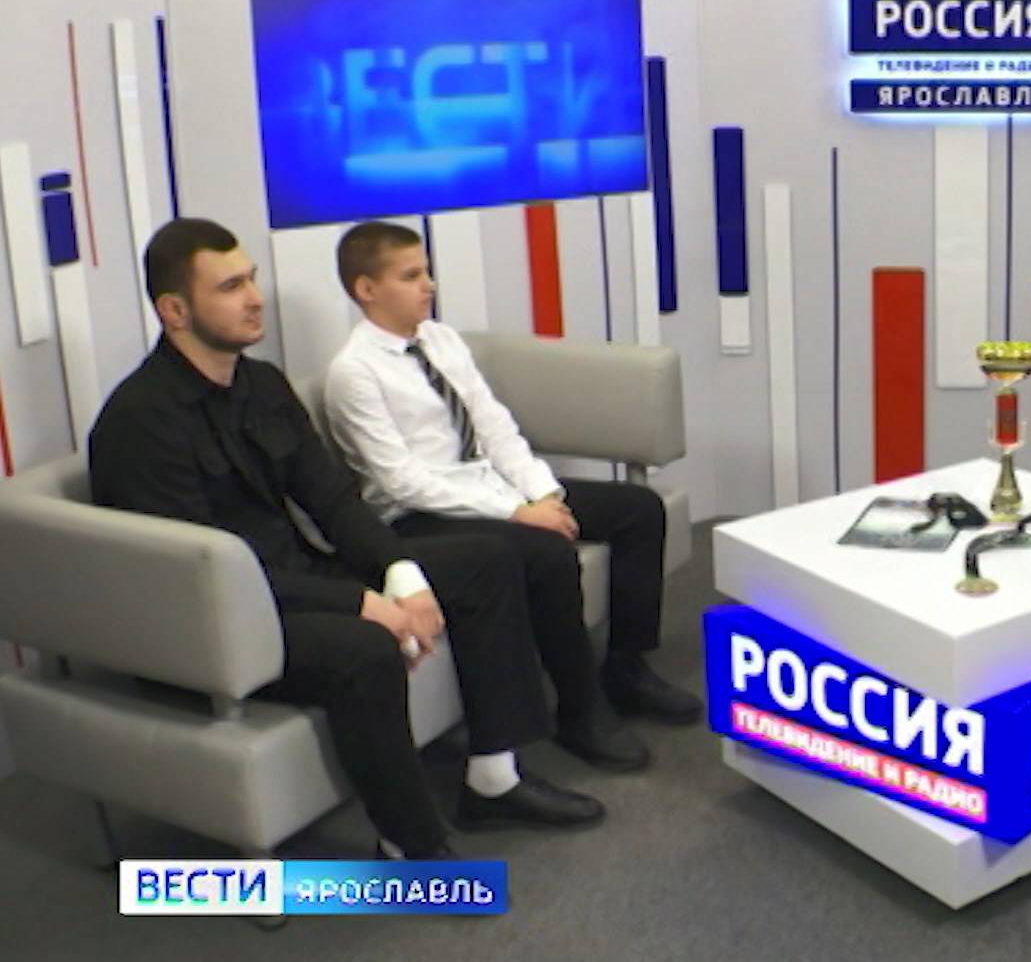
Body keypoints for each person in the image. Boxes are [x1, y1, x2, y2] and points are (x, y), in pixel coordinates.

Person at [89, 218, 610, 857]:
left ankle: (493, 780)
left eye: (251, 279)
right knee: (364, 648)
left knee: (488, 559)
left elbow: (334, 501)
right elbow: (207, 572)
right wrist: (364, 604)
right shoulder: (140, 422)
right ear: (174, 310)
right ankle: (410, 848)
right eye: (230, 287)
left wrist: (401, 576)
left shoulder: (261, 385)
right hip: (221, 621)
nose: (254, 298)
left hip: (296, 578)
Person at [323, 220, 700, 770]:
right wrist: (518, 513)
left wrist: (544, 494)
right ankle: (580, 710)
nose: (428, 285)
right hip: (421, 515)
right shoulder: (353, 373)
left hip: (488, 486)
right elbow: (401, 481)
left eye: (426, 271)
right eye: (410, 276)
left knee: (637, 511)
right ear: (367, 289)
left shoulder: (440, 340)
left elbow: (493, 426)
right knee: (547, 552)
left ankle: (626, 667)